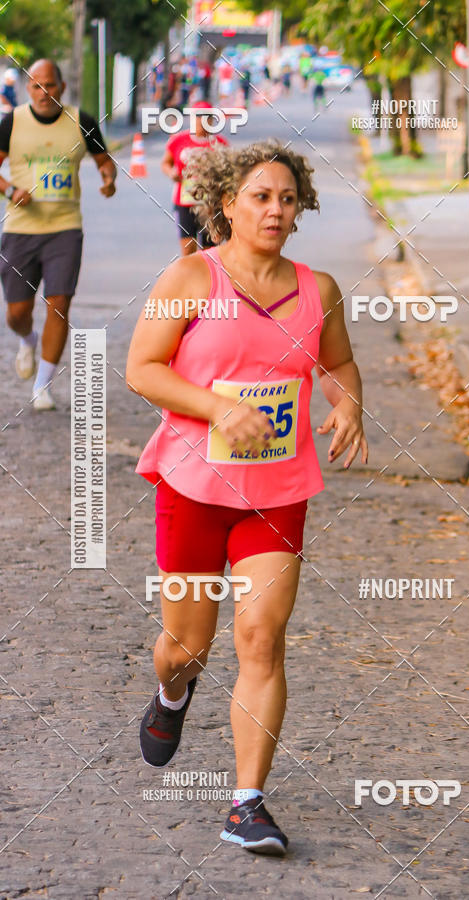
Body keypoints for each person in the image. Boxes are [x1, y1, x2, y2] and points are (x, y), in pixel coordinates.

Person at [126, 139, 368, 856]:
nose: (275, 209)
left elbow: (341, 362)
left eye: (287, 199)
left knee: (261, 637)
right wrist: (214, 408)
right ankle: (173, 694)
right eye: (260, 196)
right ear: (226, 203)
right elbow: (142, 368)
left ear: (300, 212)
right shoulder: (190, 276)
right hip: (195, 487)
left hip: (276, 489)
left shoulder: (317, 289)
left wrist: (348, 402)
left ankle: (246, 802)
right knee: (185, 647)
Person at [0, 59, 116, 410]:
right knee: (16, 313)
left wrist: (109, 180)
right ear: (27, 89)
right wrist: (10, 191)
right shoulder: (12, 122)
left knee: (59, 304)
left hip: (65, 228)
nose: (43, 92)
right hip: (21, 229)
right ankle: (27, 339)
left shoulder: (83, 121)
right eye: (35, 85)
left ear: (62, 87)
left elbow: (103, 161)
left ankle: (42, 385)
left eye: (49, 85)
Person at [160, 101, 228, 256]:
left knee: (210, 251)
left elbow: (228, 173)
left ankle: (209, 279)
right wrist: (171, 173)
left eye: (207, 117)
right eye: (198, 117)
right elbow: (165, 163)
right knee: (188, 248)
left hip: (210, 204)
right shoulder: (178, 140)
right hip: (184, 202)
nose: (202, 121)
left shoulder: (220, 144)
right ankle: (191, 279)